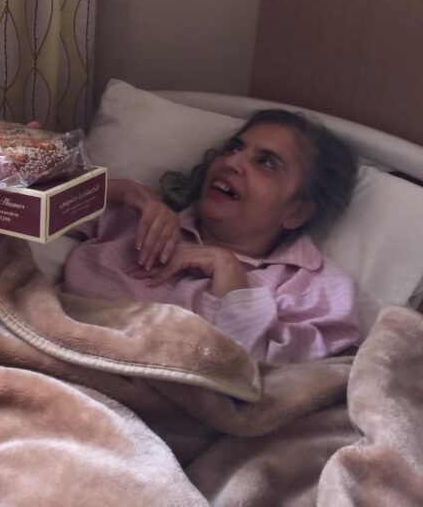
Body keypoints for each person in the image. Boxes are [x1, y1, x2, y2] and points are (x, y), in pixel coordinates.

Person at [61, 109, 360, 363]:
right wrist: (122, 191)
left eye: (266, 162)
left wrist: (227, 269)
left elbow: (255, 379)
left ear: (297, 211)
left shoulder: (314, 287)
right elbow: (33, 208)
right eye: (234, 148)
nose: (232, 162)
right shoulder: (137, 218)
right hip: (56, 354)